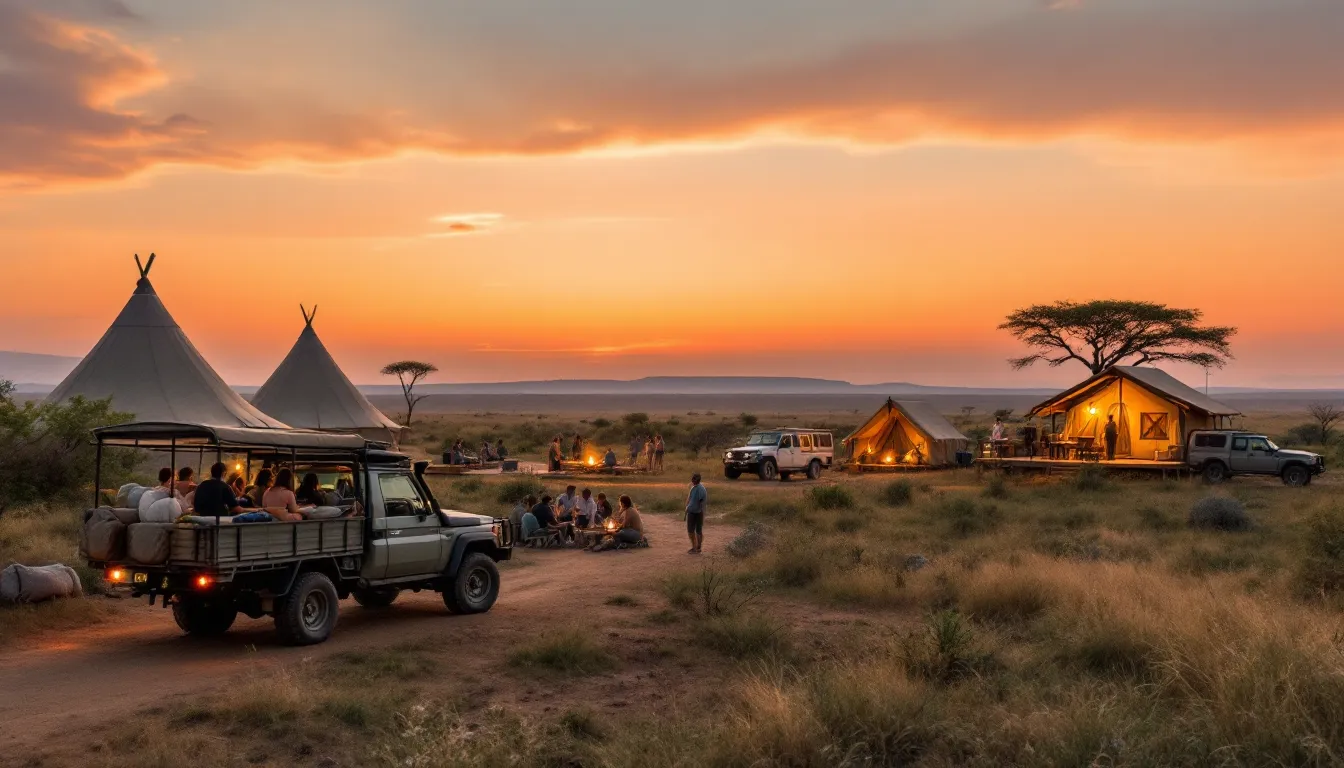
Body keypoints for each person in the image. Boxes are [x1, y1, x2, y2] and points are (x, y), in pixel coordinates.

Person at [685, 473, 706, 554]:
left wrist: (700, 512)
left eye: (694, 480)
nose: (693, 481)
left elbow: (700, 502)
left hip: (697, 512)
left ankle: (697, 547)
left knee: (696, 531)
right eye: (693, 479)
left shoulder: (700, 489)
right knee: (693, 531)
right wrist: (687, 507)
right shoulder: (694, 487)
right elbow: (690, 498)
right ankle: (696, 547)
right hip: (693, 511)